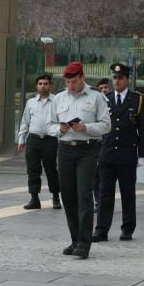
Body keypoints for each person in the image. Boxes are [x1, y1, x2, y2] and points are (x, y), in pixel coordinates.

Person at [46, 61, 110, 259]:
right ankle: (74, 239)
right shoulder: (58, 98)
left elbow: (106, 125)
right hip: (65, 148)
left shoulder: (96, 97)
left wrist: (86, 128)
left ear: (82, 77)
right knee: (68, 196)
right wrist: (60, 129)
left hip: (87, 149)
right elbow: (49, 125)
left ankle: (84, 242)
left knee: (84, 195)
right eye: (67, 82)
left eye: (74, 81)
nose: (71, 86)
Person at [93, 63, 144, 242]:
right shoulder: (104, 98)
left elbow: (142, 129)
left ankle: (127, 228)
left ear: (126, 79)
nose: (117, 81)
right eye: (114, 78)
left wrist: (143, 155)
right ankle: (101, 229)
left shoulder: (137, 100)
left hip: (126, 154)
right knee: (104, 193)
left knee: (127, 193)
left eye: (120, 78)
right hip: (107, 153)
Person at [17, 73, 60, 210]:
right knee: (33, 170)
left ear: (50, 85)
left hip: (50, 140)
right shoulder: (31, 103)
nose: (43, 86)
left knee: (51, 169)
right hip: (34, 139)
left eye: (45, 84)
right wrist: (21, 139)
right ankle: (34, 199)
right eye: (40, 84)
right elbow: (25, 122)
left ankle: (56, 197)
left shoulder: (57, 101)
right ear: (36, 86)